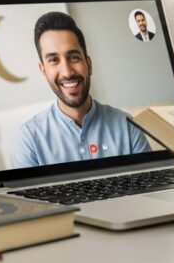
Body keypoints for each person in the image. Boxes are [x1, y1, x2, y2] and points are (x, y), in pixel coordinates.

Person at [12, 11, 151, 168]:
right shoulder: (29, 139)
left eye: (74, 57)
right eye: (54, 60)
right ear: (43, 71)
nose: (67, 72)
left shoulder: (128, 126)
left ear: (89, 64)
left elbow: (152, 188)